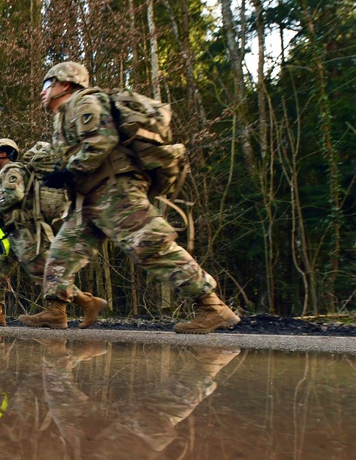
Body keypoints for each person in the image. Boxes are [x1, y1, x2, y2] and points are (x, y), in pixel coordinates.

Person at [20, 61, 239, 334]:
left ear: (65, 84)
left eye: (46, 84)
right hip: (87, 197)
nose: (42, 92)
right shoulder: (62, 116)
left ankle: (212, 307)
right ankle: (56, 311)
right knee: (62, 253)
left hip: (116, 190)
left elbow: (102, 140)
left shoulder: (85, 101)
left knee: (150, 246)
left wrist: (68, 172)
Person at [0, 139, 107, 327]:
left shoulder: (12, 170)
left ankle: (80, 305)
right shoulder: (8, 173)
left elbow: (14, 195)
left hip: (25, 230)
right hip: (13, 232)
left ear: (3, 154)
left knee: (42, 271)